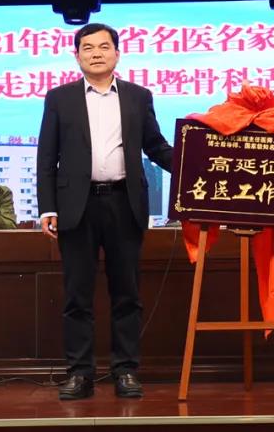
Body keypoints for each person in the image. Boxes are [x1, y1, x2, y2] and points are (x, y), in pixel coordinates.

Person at [36, 23, 173, 400]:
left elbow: (156, 147)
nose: (96, 53)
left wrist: (195, 164)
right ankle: (80, 374)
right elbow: (47, 157)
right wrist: (47, 207)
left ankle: (125, 371)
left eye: (103, 47)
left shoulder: (138, 97)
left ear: (117, 53)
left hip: (124, 203)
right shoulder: (59, 98)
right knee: (77, 295)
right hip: (75, 207)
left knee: (126, 293)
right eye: (87, 47)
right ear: (76, 55)